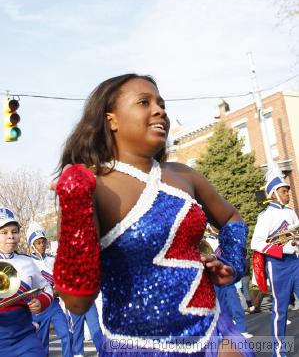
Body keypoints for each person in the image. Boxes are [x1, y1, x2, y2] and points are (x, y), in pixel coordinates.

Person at [53, 73, 254, 356]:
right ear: (111, 120)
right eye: (144, 102)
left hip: (214, 334)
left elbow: (232, 218)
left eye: (161, 103)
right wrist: (75, 203)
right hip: (138, 347)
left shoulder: (184, 175)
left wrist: (230, 263)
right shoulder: (90, 185)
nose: (159, 110)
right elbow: (76, 301)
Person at [251, 168, 299, 357]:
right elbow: (256, 243)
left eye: (287, 190)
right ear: (273, 194)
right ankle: (279, 352)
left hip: (295, 261)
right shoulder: (265, 216)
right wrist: (280, 249)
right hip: (277, 265)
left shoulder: (291, 212)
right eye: (283, 191)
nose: (287, 193)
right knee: (280, 310)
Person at [0, 207, 53, 357]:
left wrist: (40, 302)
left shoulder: (27, 262)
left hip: (24, 337)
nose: (11, 236)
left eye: (14, 231)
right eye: (4, 232)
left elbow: (46, 289)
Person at [27, 222, 72, 357]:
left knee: (67, 335)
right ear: (32, 245)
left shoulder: (53, 260)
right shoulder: (28, 263)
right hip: (39, 307)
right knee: (42, 345)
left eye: (43, 242)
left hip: (54, 305)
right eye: (38, 242)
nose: (42, 245)